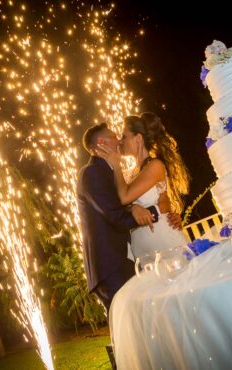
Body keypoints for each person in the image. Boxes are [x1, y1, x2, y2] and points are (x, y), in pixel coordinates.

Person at [77, 122, 180, 313]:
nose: (119, 140)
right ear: (101, 142)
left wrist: (162, 212)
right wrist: (153, 212)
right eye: (115, 136)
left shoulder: (115, 172)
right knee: (129, 320)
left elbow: (122, 202)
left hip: (138, 252)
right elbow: (115, 212)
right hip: (111, 264)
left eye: (123, 136)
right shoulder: (92, 173)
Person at [96, 112, 190, 258]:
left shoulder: (155, 166)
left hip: (163, 242)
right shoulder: (130, 174)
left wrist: (117, 165)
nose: (120, 142)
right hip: (141, 248)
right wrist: (133, 207)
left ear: (138, 138)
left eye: (124, 136)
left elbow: (125, 197)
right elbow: (119, 204)